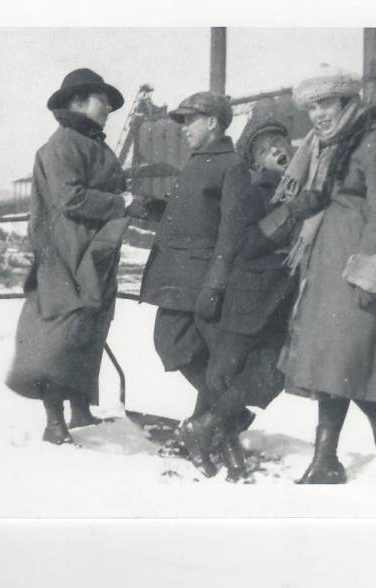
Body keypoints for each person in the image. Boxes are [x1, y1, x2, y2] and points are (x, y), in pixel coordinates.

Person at [273, 64, 376, 484]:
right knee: (339, 358)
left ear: (347, 102)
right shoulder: (326, 145)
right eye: (312, 106)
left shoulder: (373, 141)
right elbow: (324, 195)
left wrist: (373, 270)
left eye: (325, 103)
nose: (317, 114)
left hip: (357, 268)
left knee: (339, 358)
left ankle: (326, 460)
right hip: (326, 266)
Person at [183, 116, 329, 481]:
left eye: (279, 142)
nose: (276, 150)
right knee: (223, 375)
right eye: (264, 149)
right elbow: (245, 244)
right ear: (254, 162)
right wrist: (291, 211)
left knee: (270, 377)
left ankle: (204, 429)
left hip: (282, 304)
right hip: (247, 300)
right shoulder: (254, 194)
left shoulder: (305, 188)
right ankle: (215, 440)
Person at [6, 68, 132, 445]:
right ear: (77, 102)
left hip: (94, 252)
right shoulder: (62, 145)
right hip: (64, 255)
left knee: (89, 328)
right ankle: (53, 421)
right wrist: (121, 203)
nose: (109, 106)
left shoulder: (90, 142)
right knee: (57, 336)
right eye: (101, 98)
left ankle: (79, 407)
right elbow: (71, 198)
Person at [138, 91, 252, 477]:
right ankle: (221, 423)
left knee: (178, 345)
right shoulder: (198, 162)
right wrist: (148, 208)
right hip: (179, 276)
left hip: (201, 279)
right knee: (184, 349)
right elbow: (187, 214)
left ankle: (221, 421)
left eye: (191, 120)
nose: (184, 128)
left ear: (214, 123)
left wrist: (216, 284)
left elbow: (231, 232)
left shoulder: (230, 166)